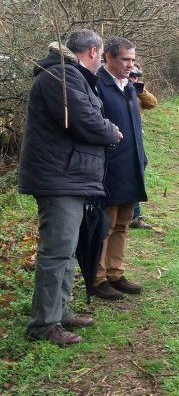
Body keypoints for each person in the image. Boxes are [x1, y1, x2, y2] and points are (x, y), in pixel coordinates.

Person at [18, 30, 122, 345]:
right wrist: (111, 131)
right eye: (99, 55)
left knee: (66, 251)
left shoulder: (66, 75)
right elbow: (86, 120)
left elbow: (84, 117)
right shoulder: (60, 76)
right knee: (56, 252)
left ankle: (60, 312)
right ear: (93, 51)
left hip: (68, 176)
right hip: (59, 178)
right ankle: (44, 324)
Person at [92, 37, 147, 300]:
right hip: (109, 167)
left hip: (131, 165)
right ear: (108, 58)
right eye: (125, 59)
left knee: (123, 224)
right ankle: (98, 277)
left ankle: (116, 273)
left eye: (132, 59)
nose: (130, 65)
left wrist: (141, 159)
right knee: (106, 225)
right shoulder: (98, 85)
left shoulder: (128, 87)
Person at [127, 65, 157, 230]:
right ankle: (132, 215)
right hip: (123, 140)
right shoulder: (119, 88)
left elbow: (152, 103)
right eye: (131, 73)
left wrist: (138, 89)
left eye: (136, 74)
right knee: (133, 174)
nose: (133, 77)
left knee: (139, 170)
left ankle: (134, 215)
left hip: (137, 140)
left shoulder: (137, 91)